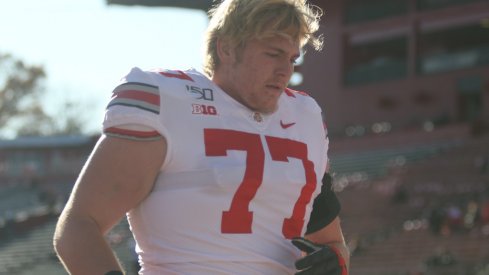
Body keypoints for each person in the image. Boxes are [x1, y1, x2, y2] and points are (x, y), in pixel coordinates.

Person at [53, 0, 350, 274]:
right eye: (272, 54)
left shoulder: (305, 116)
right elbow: (78, 227)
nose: (285, 70)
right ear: (227, 49)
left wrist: (334, 262)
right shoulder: (166, 101)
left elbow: (331, 242)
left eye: (292, 58)